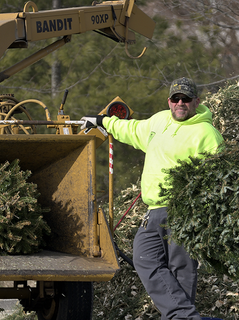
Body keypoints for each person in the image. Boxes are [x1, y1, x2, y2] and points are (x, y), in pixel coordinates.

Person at [80, 77, 224, 320]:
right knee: (144, 258)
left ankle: (181, 317)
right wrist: (103, 121)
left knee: (181, 269)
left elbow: (218, 179)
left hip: (184, 211)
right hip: (154, 211)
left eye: (186, 99)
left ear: (196, 102)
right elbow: (132, 129)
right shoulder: (159, 121)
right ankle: (186, 317)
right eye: (176, 98)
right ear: (169, 101)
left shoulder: (207, 134)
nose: (180, 103)